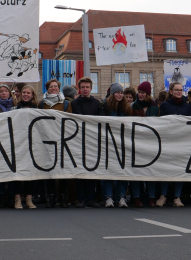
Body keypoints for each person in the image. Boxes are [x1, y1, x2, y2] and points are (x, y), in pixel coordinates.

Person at [156, 82, 191, 207]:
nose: (179, 92)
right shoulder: (165, 105)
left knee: (180, 169)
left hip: (182, 143)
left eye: (181, 90)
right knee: (166, 169)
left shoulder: (187, 107)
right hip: (168, 142)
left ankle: (177, 197)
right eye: (176, 90)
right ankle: (163, 195)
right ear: (171, 91)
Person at [39, 79, 72, 208]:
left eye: (56, 86)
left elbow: (69, 120)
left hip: (62, 139)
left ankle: (63, 196)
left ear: (59, 88)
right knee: (50, 168)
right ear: (47, 89)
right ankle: (51, 196)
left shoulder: (66, 103)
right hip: (47, 139)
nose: (53, 88)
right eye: (51, 87)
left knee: (62, 168)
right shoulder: (42, 104)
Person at [71, 77, 101, 208]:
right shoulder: (74, 103)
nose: (85, 89)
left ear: (91, 88)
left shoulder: (97, 103)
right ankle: (81, 198)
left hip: (92, 140)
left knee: (92, 169)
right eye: (82, 87)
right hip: (78, 140)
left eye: (87, 87)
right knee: (80, 169)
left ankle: (91, 198)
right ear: (79, 88)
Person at [99, 84, 131, 208]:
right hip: (108, 144)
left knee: (122, 171)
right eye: (117, 92)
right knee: (108, 170)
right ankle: (108, 197)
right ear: (112, 94)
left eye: (121, 92)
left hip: (122, 144)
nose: (120, 95)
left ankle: (121, 197)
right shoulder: (104, 107)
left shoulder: (126, 108)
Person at [129, 81, 160, 206]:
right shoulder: (132, 106)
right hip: (136, 143)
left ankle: (151, 196)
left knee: (150, 171)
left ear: (147, 94)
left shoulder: (155, 107)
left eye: (142, 93)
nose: (140, 95)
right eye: (139, 92)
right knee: (137, 171)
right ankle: (136, 196)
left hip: (151, 143)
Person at [10, 85, 39, 209]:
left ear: (32, 95)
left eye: (28, 93)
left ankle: (29, 198)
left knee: (30, 173)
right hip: (18, 143)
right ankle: (17, 199)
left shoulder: (38, 110)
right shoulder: (14, 109)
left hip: (33, 144)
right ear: (21, 94)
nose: (26, 94)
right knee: (17, 172)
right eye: (24, 92)